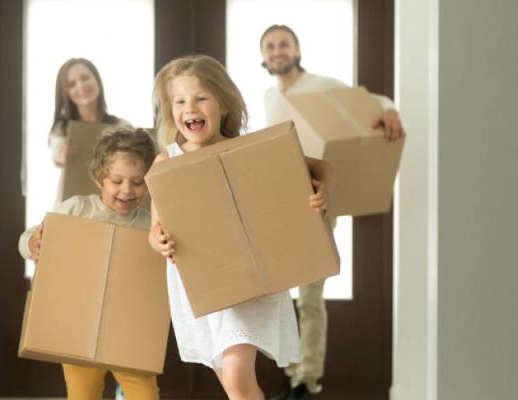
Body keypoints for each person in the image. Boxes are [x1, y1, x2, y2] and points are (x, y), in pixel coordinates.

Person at [149, 55, 331, 400]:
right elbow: (155, 229)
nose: (190, 108)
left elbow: (324, 170)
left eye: (201, 97)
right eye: (180, 101)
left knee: (236, 376)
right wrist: (159, 240)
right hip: (200, 286)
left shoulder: (247, 152)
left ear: (224, 104)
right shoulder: (167, 162)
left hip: (250, 278)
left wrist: (323, 191)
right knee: (235, 384)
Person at [258, 24, 406, 400]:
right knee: (278, 294)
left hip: (317, 201)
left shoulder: (321, 85)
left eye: (284, 44)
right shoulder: (268, 97)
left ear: (297, 49)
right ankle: (292, 374)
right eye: (271, 46)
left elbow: (373, 101)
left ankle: (307, 381)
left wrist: (389, 110)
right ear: (263, 56)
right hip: (280, 202)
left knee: (309, 295)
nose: (278, 51)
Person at [19, 128, 160, 400]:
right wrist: (33, 244)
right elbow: (27, 238)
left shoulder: (149, 224)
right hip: (79, 324)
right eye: (116, 181)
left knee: (145, 395)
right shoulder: (76, 210)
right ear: (99, 178)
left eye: (138, 182)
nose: (127, 191)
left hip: (130, 330)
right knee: (83, 395)